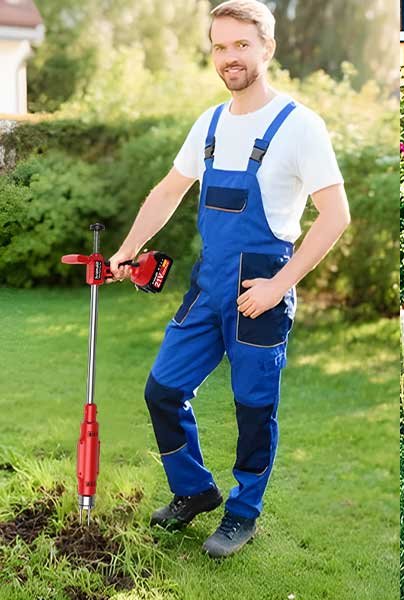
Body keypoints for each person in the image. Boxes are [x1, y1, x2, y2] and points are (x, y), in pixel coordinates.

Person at [108, 0, 349, 558]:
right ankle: (194, 491)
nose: (229, 57)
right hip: (208, 285)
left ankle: (243, 513)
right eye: (220, 45)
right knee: (162, 389)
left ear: (267, 47)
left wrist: (277, 286)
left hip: (260, 289)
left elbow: (335, 217)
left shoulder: (299, 125)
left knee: (253, 405)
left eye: (241, 44)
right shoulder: (210, 124)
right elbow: (170, 190)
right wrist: (128, 248)